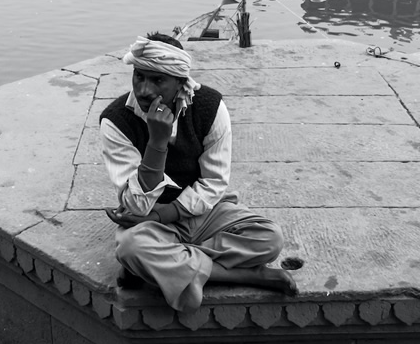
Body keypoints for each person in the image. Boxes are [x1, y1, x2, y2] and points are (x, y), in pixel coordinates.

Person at [101, 33, 297, 312]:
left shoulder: (210, 108)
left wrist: (166, 214)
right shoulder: (116, 121)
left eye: (158, 80)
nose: (144, 90)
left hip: (201, 212)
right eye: (139, 76)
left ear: (181, 83)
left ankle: (162, 268)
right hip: (147, 218)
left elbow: (213, 182)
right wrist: (157, 142)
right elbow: (137, 204)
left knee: (269, 238)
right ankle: (249, 275)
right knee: (132, 247)